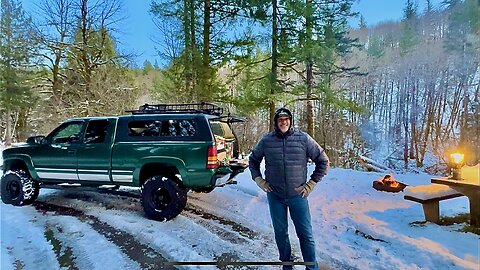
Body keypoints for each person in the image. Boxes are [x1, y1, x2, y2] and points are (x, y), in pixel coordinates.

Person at [249, 107, 329, 270]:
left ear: (290, 121)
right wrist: (259, 180)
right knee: (280, 233)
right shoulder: (266, 141)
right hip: (275, 196)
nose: (283, 122)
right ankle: (287, 262)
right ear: (276, 123)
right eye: (280, 120)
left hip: (298, 195)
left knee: (305, 234)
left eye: (286, 119)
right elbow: (253, 160)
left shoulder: (303, 139)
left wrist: (311, 183)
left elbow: (323, 161)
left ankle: (311, 267)